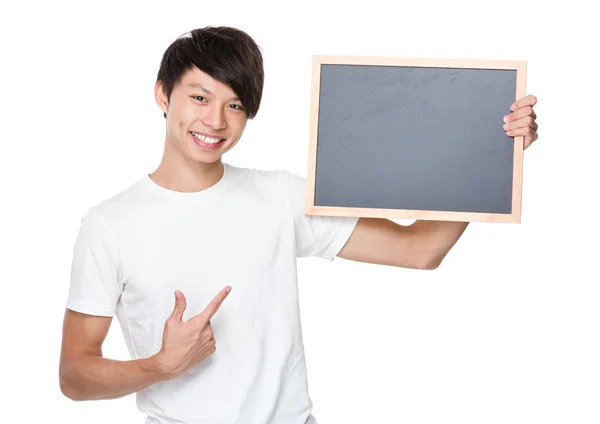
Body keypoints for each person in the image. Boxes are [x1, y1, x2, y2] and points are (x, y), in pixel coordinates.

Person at [58, 26, 540, 424]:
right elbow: (74, 375)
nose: (216, 121)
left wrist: (494, 152)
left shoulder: (280, 196)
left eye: (235, 105)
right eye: (200, 97)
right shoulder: (109, 225)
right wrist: (160, 366)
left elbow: (419, 249)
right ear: (163, 94)